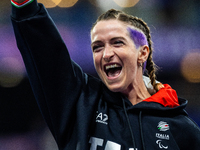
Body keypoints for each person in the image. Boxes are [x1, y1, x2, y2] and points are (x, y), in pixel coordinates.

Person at [10, 0, 200, 149]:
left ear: (142, 53)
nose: (106, 54)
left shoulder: (182, 129)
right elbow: (47, 53)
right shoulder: (81, 102)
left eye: (117, 43)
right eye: (97, 47)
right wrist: (25, 7)